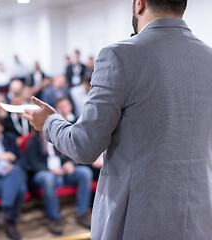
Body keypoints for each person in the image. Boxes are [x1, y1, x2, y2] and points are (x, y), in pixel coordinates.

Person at [23, 0, 212, 239]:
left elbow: (84, 146)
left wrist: (50, 122)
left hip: (139, 217)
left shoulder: (120, 55)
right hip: (199, 216)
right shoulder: (208, 56)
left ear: (139, 4)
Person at [27, 132, 92, 235]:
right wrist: (50, 170)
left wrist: (70, 163)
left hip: (63, 172)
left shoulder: (59, 137)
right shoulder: (33, 141)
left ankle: (82, 213)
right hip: (44, 173)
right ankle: (54, 217)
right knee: (48, 178)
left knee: (84, 173)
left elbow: (72, 153)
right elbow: (32, 162)